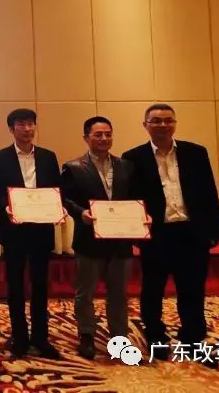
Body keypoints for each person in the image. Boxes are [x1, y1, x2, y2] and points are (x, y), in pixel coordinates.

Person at [122, 104, 219, 368]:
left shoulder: (196, 153)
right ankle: (156, 336)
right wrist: (135, 231)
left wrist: (215, 230)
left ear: (175, 123)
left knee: (193, 289)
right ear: (145, 125)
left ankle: (193, 340)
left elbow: (209, 192)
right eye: (156, 121)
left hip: (191, 232)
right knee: (152, 288)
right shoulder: (132, 158)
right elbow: (131, 198)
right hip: (157, 234)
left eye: (168, 120)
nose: (163, 125)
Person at [60, 117, 148, 359]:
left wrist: (142, 215)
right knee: (85, 293)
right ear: (86, 137)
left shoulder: (126, 166)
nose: (104, 139)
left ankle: (119, 337)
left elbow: (136, 198)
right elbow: (64, 199)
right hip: (89, 240)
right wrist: (81, 213)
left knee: (118, 293)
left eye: (108, 134)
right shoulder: (73, 167)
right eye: (98, 135)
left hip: (121, 240)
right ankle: (86, 335)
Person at [0, 108, 62, 359]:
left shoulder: (49, 157)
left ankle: (41, 337)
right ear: (12, 129)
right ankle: (19, 337)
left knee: (40, 286)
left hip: (41, 229)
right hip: (14, 231)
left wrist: (57, 206)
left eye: (31, 124)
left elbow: (56, 189)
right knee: (15, 286)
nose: (27, 129)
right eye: (21, 124)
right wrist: (3, 207)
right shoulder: (0, 158)